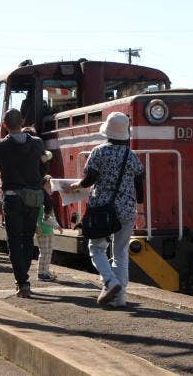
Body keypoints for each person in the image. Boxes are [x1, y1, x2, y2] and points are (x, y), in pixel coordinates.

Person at [69, 112, 144, 307]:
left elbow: (90, 179)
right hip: (127, 209)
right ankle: (120, 299)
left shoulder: (99, 152)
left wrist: (77, 185)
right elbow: (140, 186)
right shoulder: (132, 155)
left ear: (108, 133)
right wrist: (137, 202)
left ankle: (110, 282)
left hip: (103, 209)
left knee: (96, 248)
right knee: (121, 252)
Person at [0, 109, 45, 298]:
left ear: (4, 125)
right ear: (22, 121)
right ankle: (23, 277)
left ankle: (22, 282)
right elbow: (42, 167)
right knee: (27, 237)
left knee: (14, 239)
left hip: (12, 196)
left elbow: (1, 167)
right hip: (33, 197)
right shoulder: (38, 143)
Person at [36, 175, 62, 281]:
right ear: (44, 186)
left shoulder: (47, 200)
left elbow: (51, 216)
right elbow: (45, 218)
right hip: (43, 229)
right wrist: (57, 225)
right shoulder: (42, 200)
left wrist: (55, 225)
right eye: (49, 186)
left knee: (48, 252)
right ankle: (41, 273)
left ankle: (45, 271)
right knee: (44, 252)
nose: (51, 188)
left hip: (48, 230)